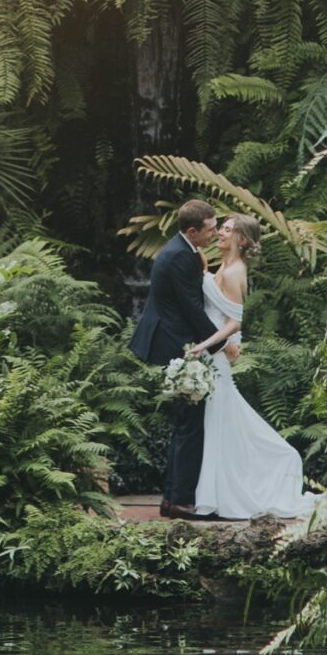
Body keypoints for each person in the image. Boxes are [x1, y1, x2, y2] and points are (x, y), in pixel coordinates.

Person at [186, 214, 312, 521]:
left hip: (212, 351)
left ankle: (268, 470)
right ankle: (217, 492)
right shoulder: (224, 267)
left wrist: (207, 345)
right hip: (214, 352)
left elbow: (235, 321)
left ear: (242, 240)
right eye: (221, 228)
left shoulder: (235, 271)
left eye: (228, 230)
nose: (220, 233)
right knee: (223, 422)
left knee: (224, 420)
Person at [129, 196, 226, 518]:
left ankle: (172, 499)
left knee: (184, 423)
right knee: (190, 424)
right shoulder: (179, 257)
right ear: (193, 229)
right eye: (211, 229)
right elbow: (191, 308)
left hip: (172, 339)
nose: (214, 234)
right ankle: (181, 500)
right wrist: (220, 344)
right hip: (176, 345)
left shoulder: (182, 250)